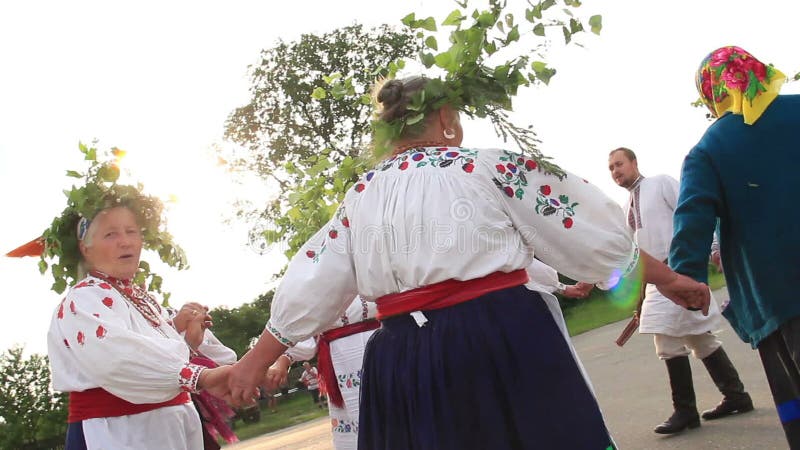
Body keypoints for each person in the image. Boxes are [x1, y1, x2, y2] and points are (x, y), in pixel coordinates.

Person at [229, 75, 711, 449]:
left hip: (402, 355)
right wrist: (667, 279)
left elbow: (314, 280)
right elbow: (585, 230)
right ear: (445, 118)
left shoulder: (361, 196)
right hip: (499, 336)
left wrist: (253, 362)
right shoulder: (485, 166)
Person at [670, 45, 800, 447]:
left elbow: (692, 218)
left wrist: (687, 278)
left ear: (712, 91)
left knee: (792, 395)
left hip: (777, 296)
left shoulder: (708, 149)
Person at [43, 203, 233, 449]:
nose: (126, 242)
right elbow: (118, 359)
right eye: (111, 234)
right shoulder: (83, 299)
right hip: (119, 431)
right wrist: (202, 375)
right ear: (85, 248)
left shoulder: (143, 298)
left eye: (131, 231)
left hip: (172, 425)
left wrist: (237, 366)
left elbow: (161, 353)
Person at [608, 147, 753, 434]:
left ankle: (685, 411)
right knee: (698, 339)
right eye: (611, 168)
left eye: (619, 164)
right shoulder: (625, 209)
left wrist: (713, 247)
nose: (615, 171)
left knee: (666, 341)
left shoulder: (660, 183)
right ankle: (736, 396)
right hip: (655, 280)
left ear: (635, 162)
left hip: (678, 271)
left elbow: (693, 211)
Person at [267, 296, 379, 450]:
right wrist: (284, 359)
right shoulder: (312, 283)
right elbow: (304, 328)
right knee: (358, 421)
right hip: (342, 360)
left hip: (387, 345)